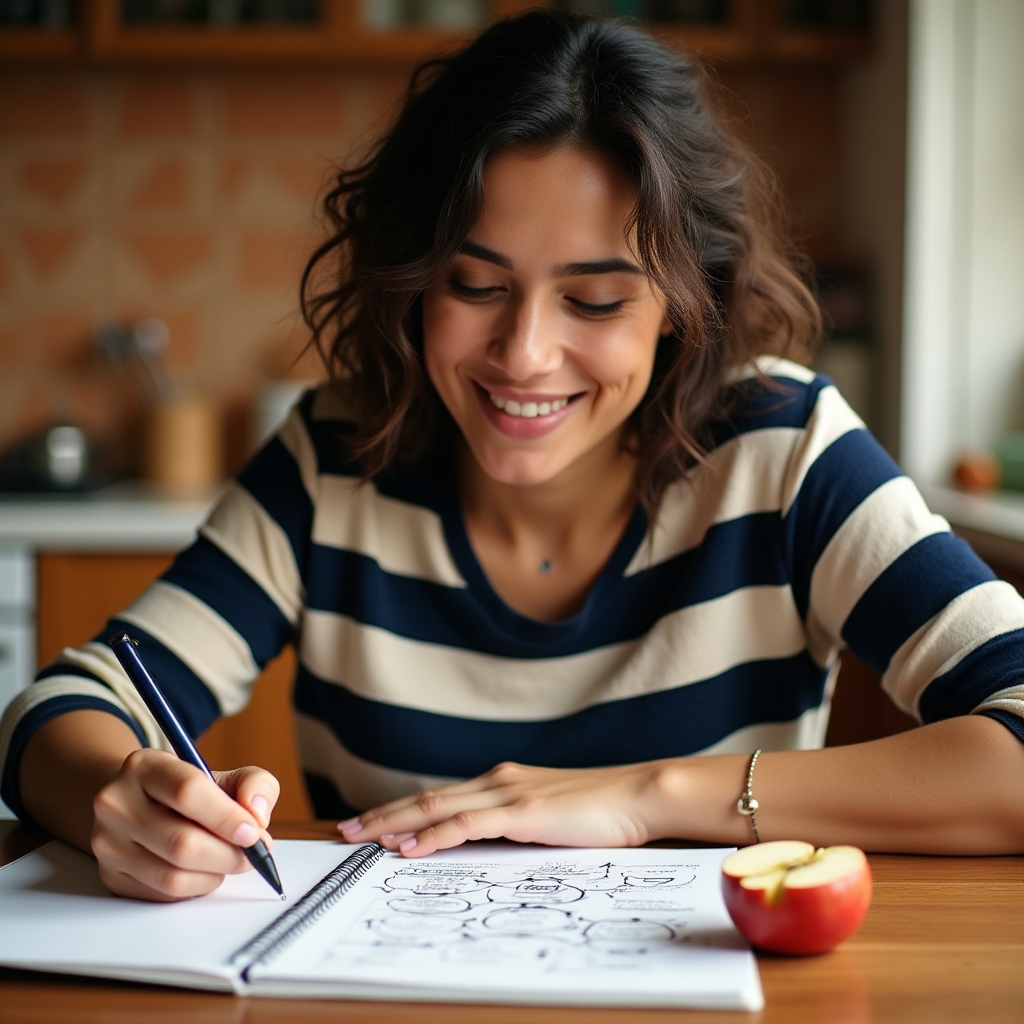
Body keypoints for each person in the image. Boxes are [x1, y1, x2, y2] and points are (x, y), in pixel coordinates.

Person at [2, 11, 1023, 903]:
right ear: (412, 279)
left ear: (681, 303)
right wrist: (120, 796)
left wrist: (641, 795)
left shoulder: (784, 450)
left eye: (595, 298)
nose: (524, 353)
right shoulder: (334, 457)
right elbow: (58, 708)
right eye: (475, 284)